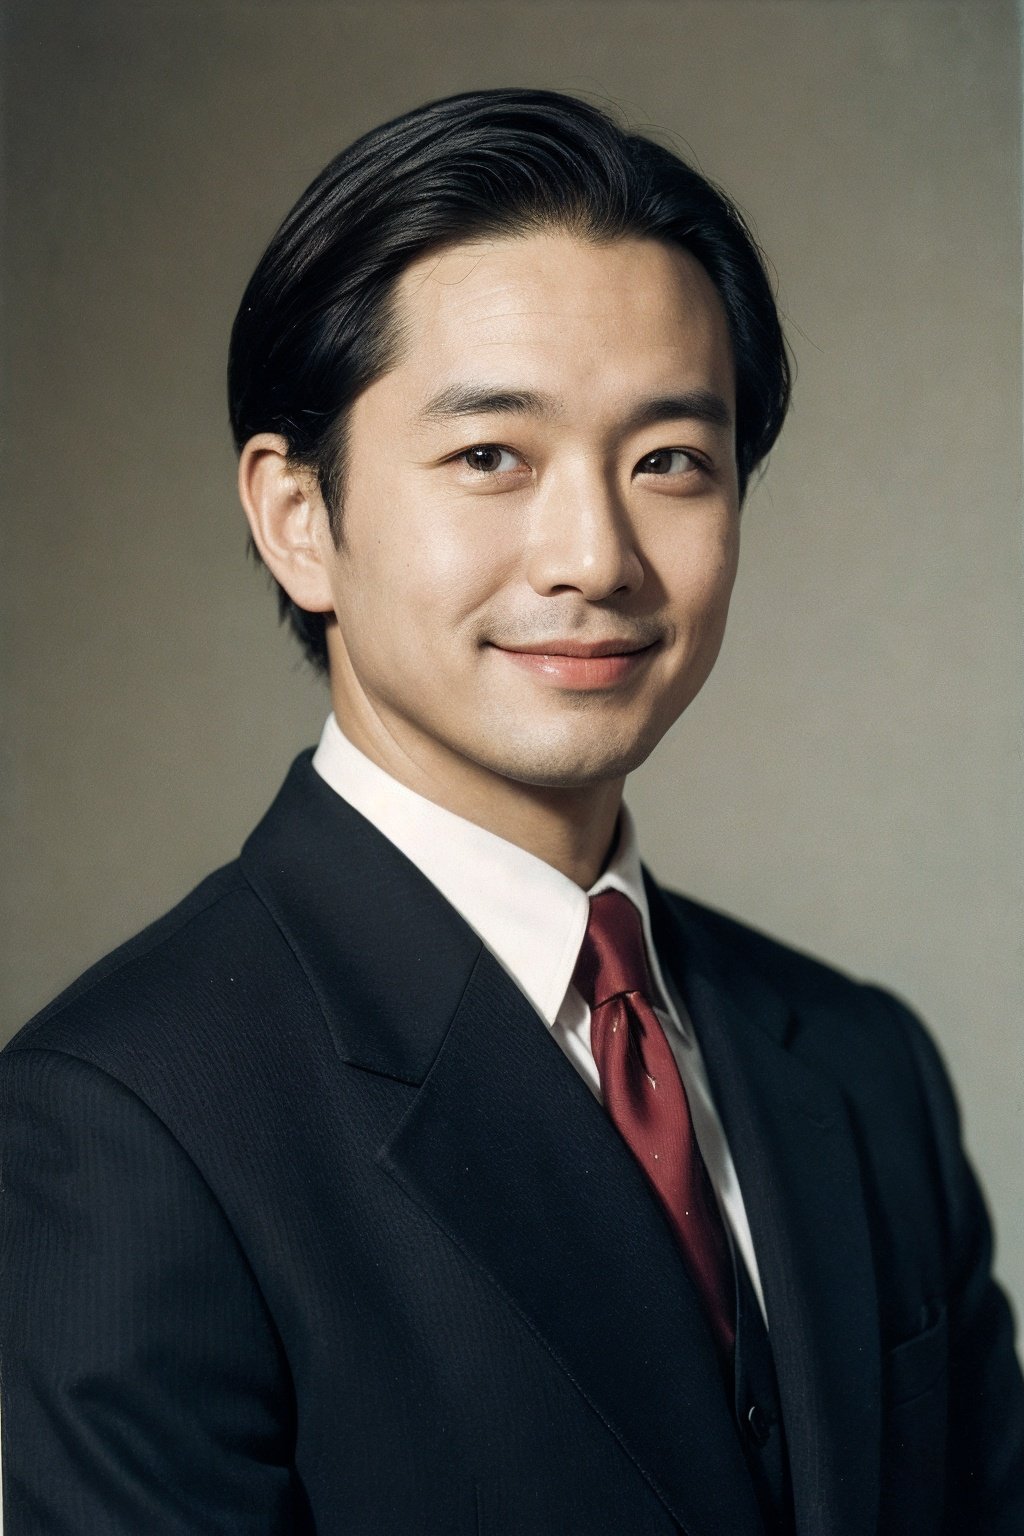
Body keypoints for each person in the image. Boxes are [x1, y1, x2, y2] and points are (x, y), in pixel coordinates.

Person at [1, 86, 1021, 1536]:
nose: (595, 553)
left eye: (671, 458)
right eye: (492, 457)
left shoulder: (864, 1069)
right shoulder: (122, 1126)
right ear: (300, 518)